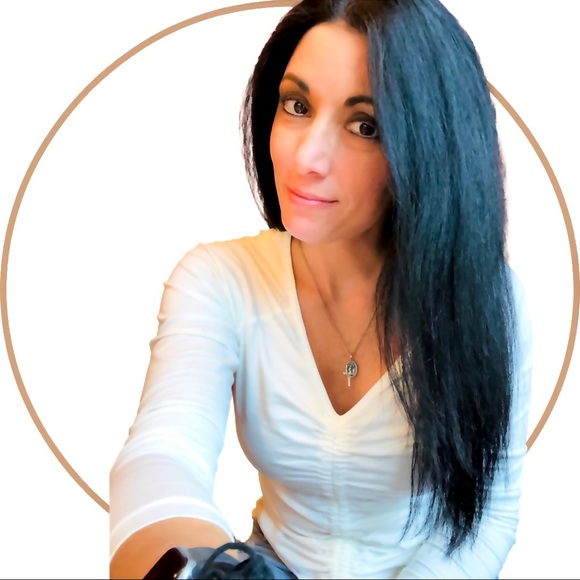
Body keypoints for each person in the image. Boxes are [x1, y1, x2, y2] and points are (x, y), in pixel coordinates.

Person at [109, 0, 533, 578]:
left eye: (366, 126)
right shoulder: (219, 279)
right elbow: (162, 454)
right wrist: (210, 570)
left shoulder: (489, 299)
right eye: (297, 106)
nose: (306, 156)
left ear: (432, 148)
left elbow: (488, 515)